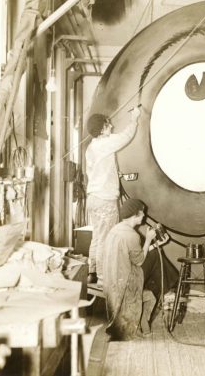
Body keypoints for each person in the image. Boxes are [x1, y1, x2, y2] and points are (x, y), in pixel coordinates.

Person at [85, 105, 142, 284]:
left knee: (97, 236)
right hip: (104, 199)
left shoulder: (92, 147)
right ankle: (103, 277)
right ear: (102, 129)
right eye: (108, 124)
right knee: (105, 238)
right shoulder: (105, 143)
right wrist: (134, 118)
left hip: (93, 198)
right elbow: (126, 136)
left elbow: (97, 171)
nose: (111, 126)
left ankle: (92, 271)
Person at [102, 198, 169, 340]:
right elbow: (139, 261)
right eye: (142, 213)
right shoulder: (132, 235)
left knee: (156, 252)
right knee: (157, 257)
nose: (144, 216)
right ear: (135, 215)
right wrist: (149, 240)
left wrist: (154, 245)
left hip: (111, 280)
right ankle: (168, 289)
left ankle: (168, 287)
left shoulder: (115, 230)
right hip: (125, 285)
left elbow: (133, 255)